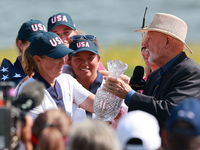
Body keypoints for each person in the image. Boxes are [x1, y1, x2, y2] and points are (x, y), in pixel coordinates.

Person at [103, 13, 200, 128]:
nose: (144, 44)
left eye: (149, 38)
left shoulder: (190, 72)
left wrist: (130, 95)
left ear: (167, 42)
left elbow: (171, 111)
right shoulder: (155, 76)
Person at [17, 32, 95, 121]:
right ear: (38, 59)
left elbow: (99, 107)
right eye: (56, 57)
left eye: (62, 55)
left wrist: (112, 90)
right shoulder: (29, 92)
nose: (63, 62)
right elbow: (41, 132)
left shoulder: (67, 80)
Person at [67, 35, 128, 123]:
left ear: (98, 60)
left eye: (90, 58)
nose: (85, 63)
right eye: (78, 58)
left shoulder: (113, 90)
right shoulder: (64, 86)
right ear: (69, 62)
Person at [0, 19, 47, 87]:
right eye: (34, 43)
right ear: (20, 44)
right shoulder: (5, 75)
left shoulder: (54, 73)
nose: (39, 48)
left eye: (43, 43)